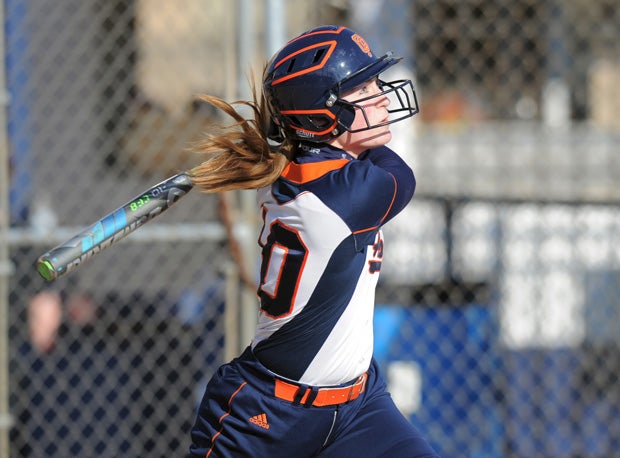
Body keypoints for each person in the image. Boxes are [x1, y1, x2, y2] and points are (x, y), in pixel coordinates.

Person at [187, 25, 439, 457]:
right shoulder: (345, 195)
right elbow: (401, 176)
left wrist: (307, 134)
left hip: (360, 408)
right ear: (322, 115)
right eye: (362, 88)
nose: (381, 96)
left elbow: (328, 157)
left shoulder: (309, 173)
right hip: (268, 418)